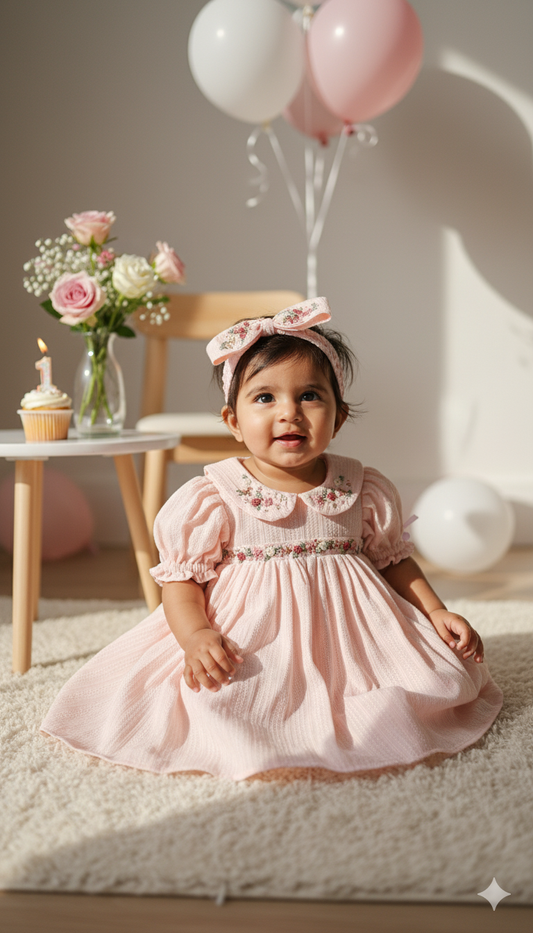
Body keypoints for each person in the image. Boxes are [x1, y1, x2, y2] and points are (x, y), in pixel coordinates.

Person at [40, 297, 503, 781]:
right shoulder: (214, 497)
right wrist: (195, 636)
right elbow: (181, 582)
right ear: (234, 422)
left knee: (414, 689)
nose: (289, 413)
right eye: (265, 398)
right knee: (231, 699)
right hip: (255, 639)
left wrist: (434, 611)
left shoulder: (362, 487)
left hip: (352, 636)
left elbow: (393, 561)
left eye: (309, 396)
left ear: (339, 417)